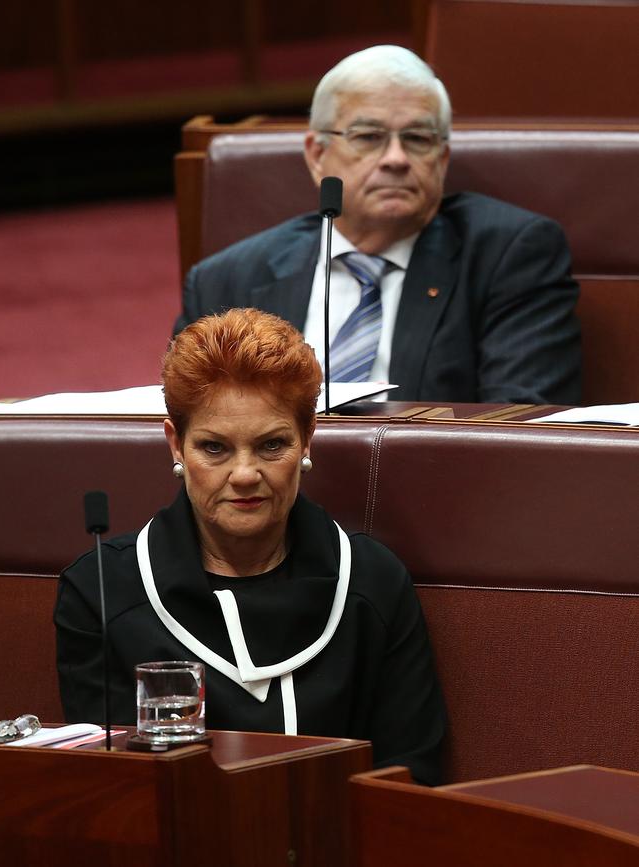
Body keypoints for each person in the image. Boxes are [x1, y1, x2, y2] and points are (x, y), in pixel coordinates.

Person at [55, 308, 446, 785]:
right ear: (175, 444)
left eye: (271, 445)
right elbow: (111, 790)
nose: (244, 475)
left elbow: (413, 777)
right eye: (215, 448)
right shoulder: (100, 591)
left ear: (307, 440)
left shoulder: (371, 580)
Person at [174, 44, 581, 406]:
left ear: (441, 159)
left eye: (418, 138)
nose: (397, 159)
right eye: (369, 136)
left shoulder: (508, 256)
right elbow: (189, 427)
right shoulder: (227, 280)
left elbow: (521, 422)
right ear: (318, 155)